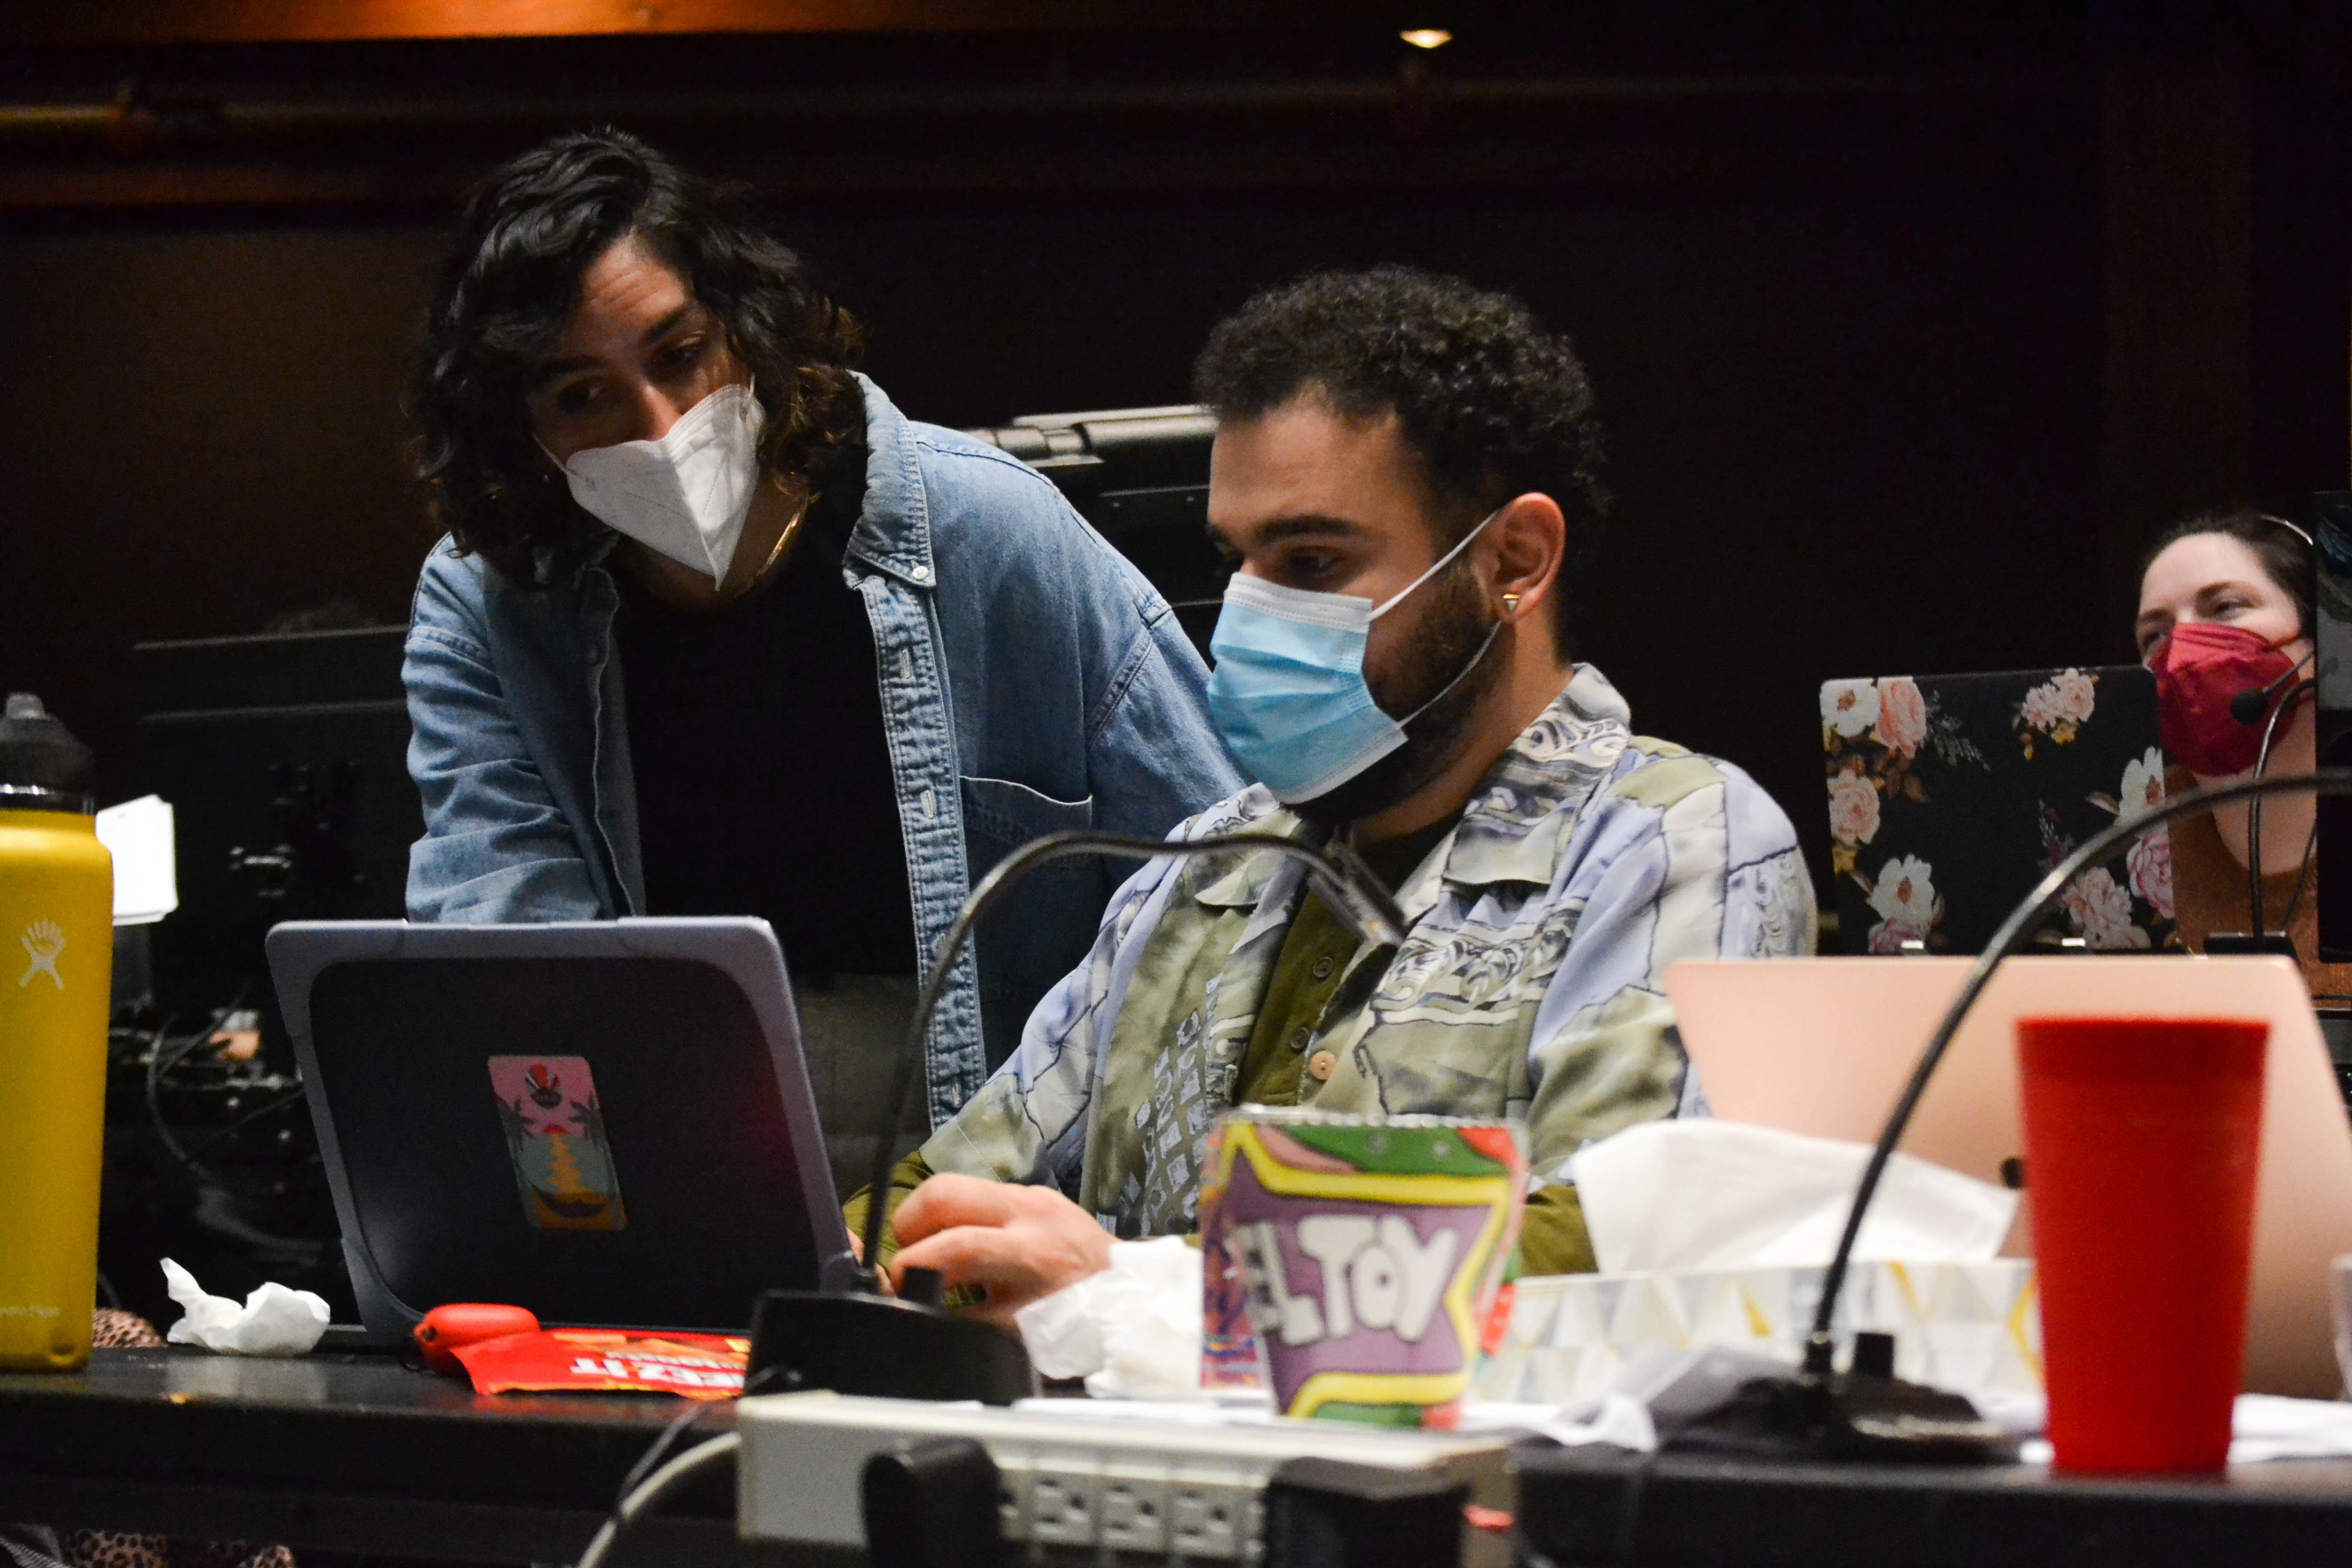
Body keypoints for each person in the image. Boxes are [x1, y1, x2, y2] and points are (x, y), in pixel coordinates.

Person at [859, 266, 1816, 1320]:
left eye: (1311, 560)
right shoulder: (1205, 864)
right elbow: (941, 1195)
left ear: (1515, 558)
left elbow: (1615, 1252)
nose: (1244, 618)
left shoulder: (1674, 844)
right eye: (1240, 562)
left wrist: (1132, 1293)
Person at [401, 131, 1242, 1184]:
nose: (658, 426)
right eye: (581, 396)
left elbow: (1227, 890)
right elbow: (514, 960)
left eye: (677, 356)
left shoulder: (989, 531)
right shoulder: (491, 604)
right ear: (517, 434)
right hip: (677, 1138)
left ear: (748, 330)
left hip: (1005, 1152)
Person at [2136, 509, 2350, 1000]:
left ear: (2324, 637)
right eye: (2154, 635)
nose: (2181, 649)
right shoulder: (2123, 836)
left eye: (2226, 607)